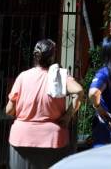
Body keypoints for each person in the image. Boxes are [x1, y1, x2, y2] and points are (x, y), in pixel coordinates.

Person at [6, 38, 84, 169]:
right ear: (52, 57)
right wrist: (68, 115)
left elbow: (9, 110)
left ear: (35, 56)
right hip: (53, 139)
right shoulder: (58, 76)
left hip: (21, 138)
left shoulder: (23, 77)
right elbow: (79, 91)